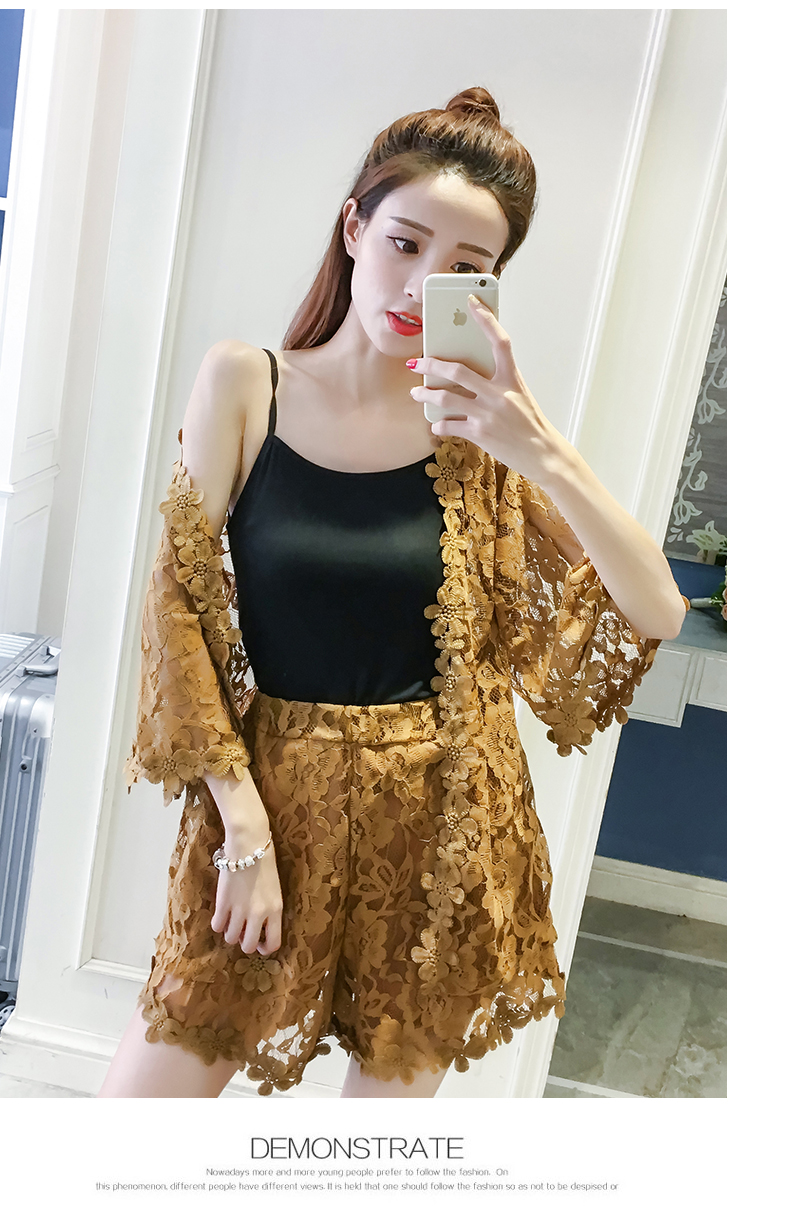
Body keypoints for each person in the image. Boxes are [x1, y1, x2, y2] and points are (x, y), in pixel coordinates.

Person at [99, 87, 687, 1100]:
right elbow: (178, 608)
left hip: (443, 827)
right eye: (405, 243)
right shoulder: (246, 383)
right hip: (269, 813)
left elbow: (655, 610)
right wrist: (241, 827)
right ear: (353, 228)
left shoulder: (480, 433)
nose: (422, 285)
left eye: (465, 270)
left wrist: (540, 448)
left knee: (375, 1157)